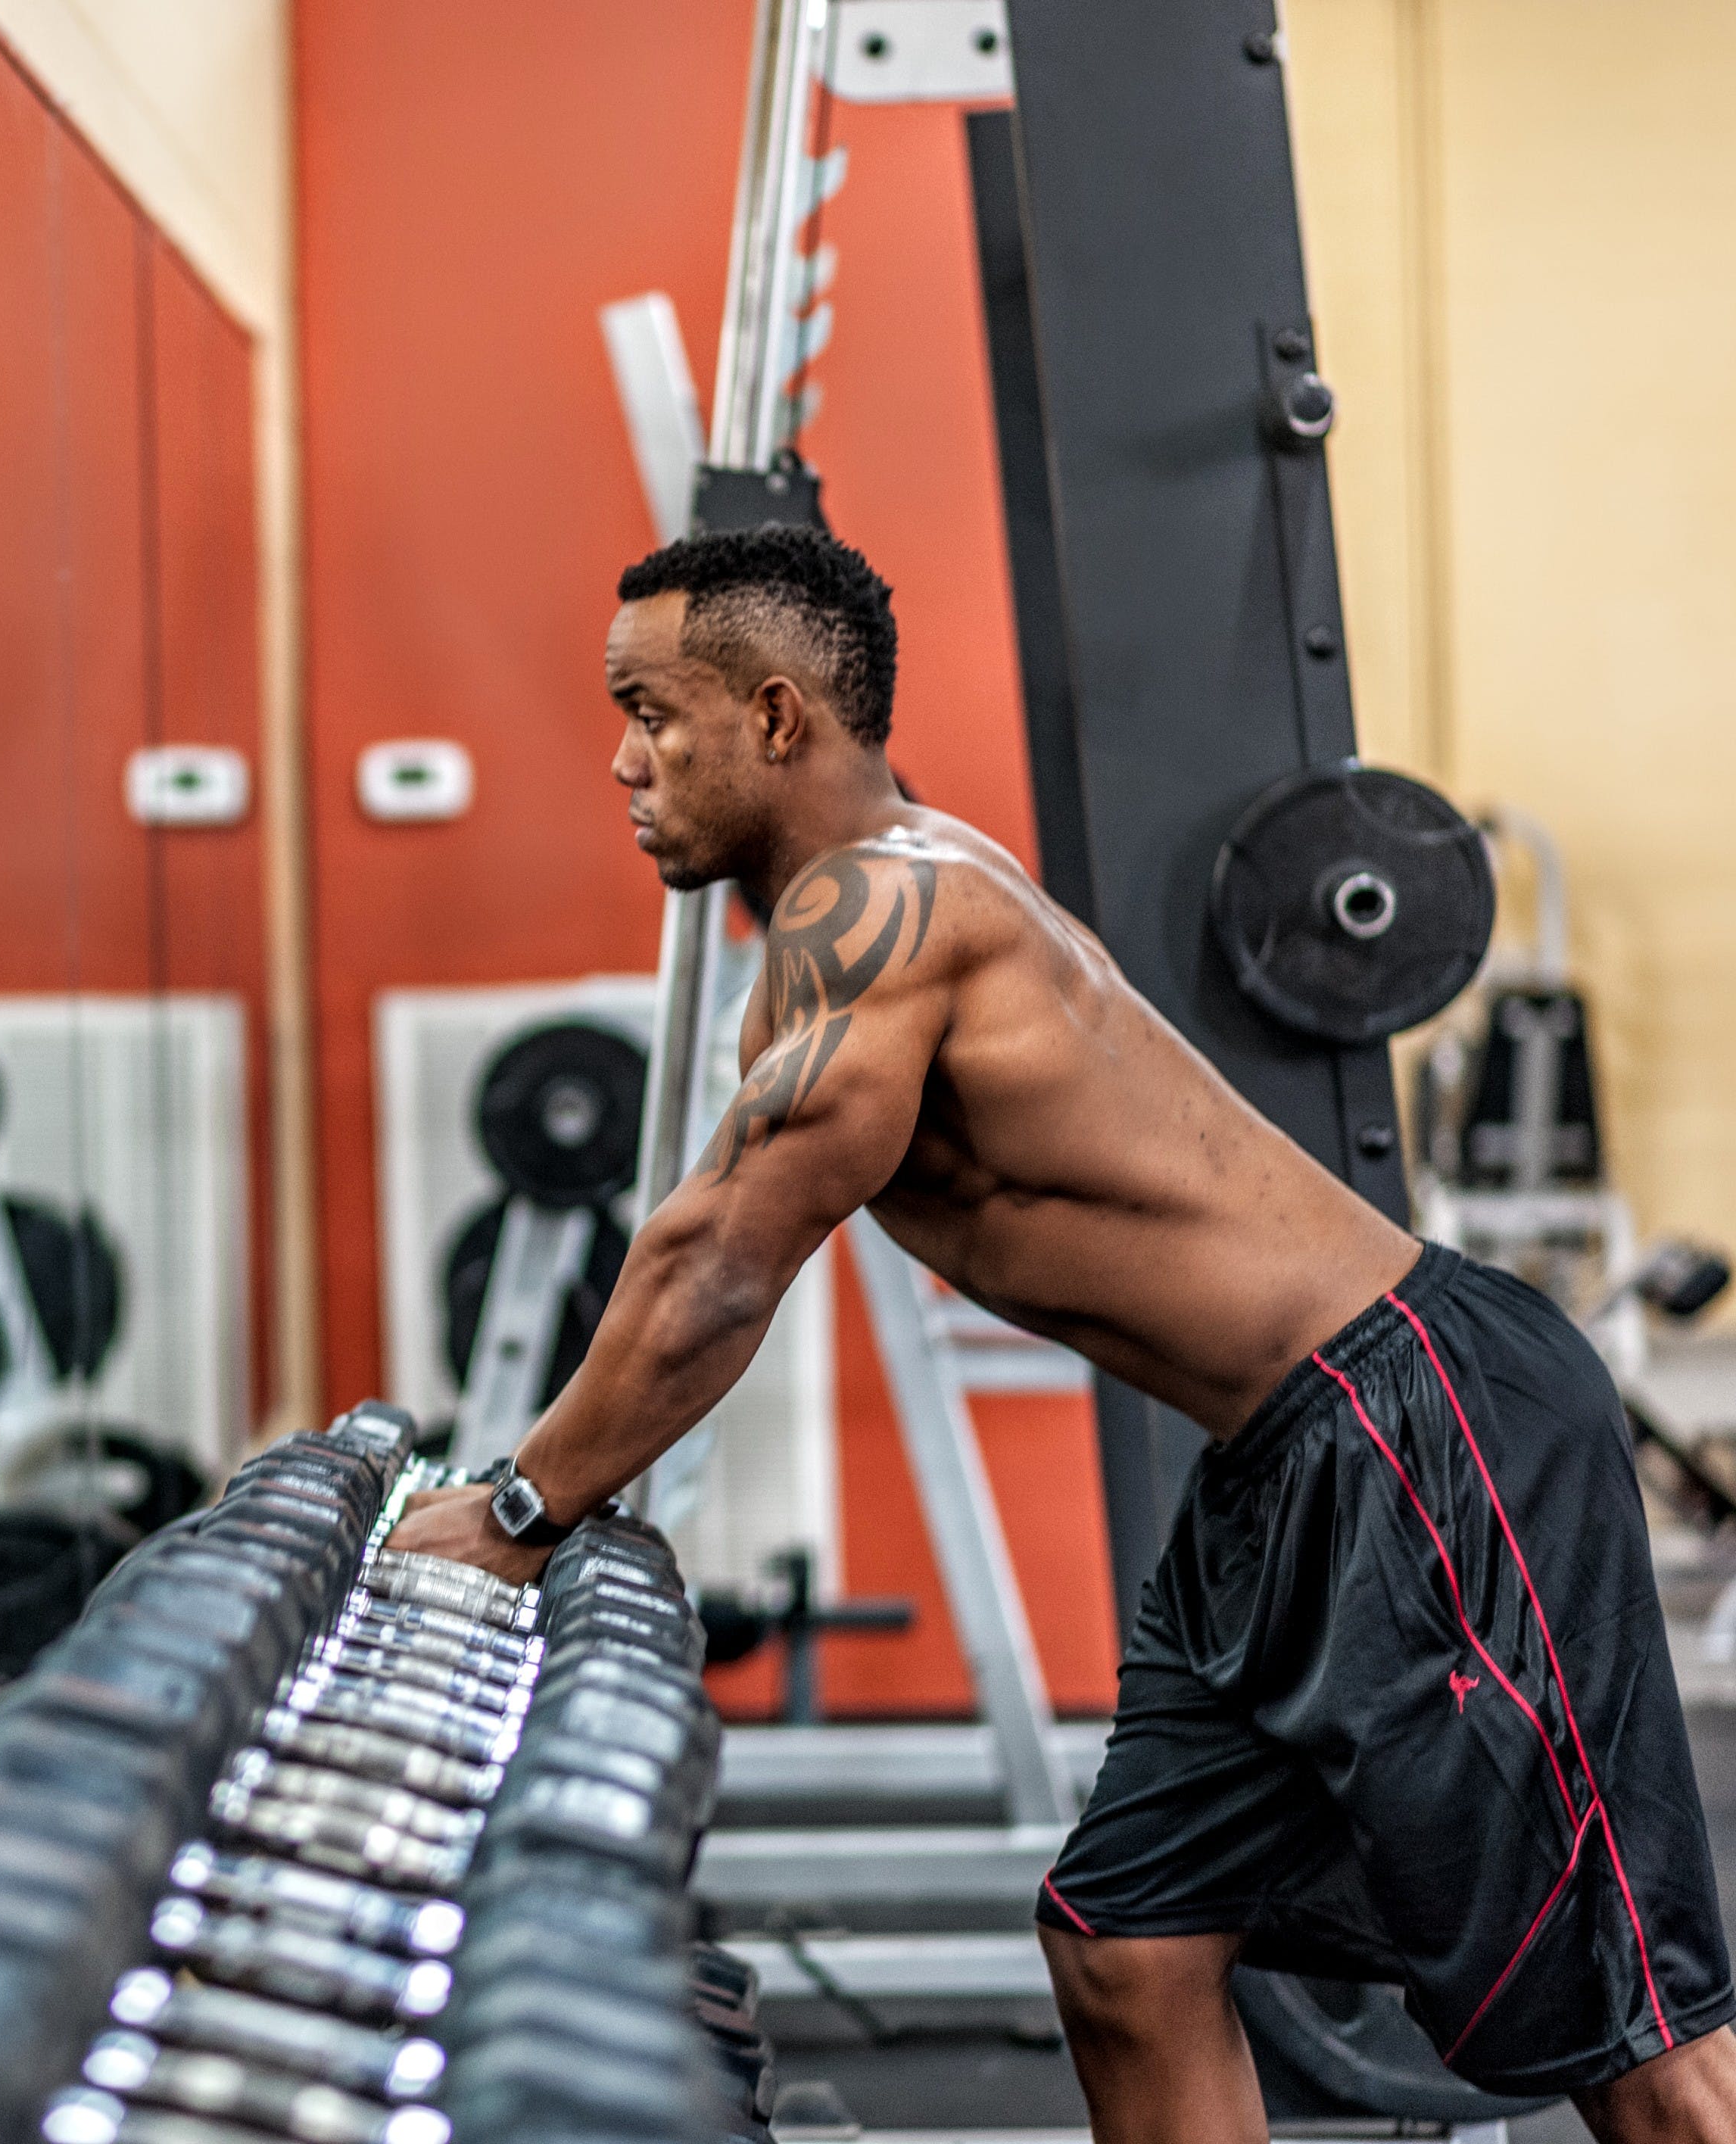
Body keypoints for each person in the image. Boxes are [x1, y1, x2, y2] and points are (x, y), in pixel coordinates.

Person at [383, 525, 1736, 2140]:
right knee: (1128, 1944)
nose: (622, 759)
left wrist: (520, 1513)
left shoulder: (881, 915)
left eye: (650, 713)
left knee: (1637, 2038)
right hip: (1279, 1468)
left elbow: (717, 1264)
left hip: (1420, 1426)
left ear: (773, 718)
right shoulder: (871, 907)